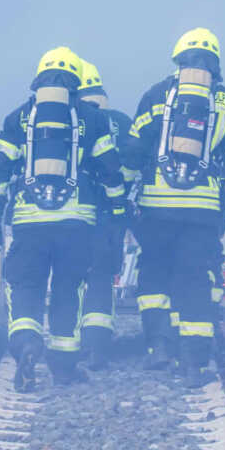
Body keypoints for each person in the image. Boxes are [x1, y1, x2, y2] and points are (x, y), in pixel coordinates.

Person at [0, 47, 127, 391]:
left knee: (26, 285)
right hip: (77, 223)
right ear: (75, 81)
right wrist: (119, 211)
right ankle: (63, 367)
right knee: (68, 290)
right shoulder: (92, 119)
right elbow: (110, 169)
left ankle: (27, 343)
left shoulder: (18, 118)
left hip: (29, 222)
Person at [125, 28, 225, 387]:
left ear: (178, 58)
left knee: (154, 270)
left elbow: (134, 147)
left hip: (156, 206)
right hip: (203, 209)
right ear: (215, 63)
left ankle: (158, 346)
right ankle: (194, 363)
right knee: (195, 278)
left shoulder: (157, 94)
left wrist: (121, 192)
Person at [75, 58, 135, 370]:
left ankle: (69, 344)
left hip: (73, 212)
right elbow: (135, 162)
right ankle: (97, 345)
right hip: (113, 214)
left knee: (69, 276)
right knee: (101, 276)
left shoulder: (69, 121)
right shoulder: (122, 122)